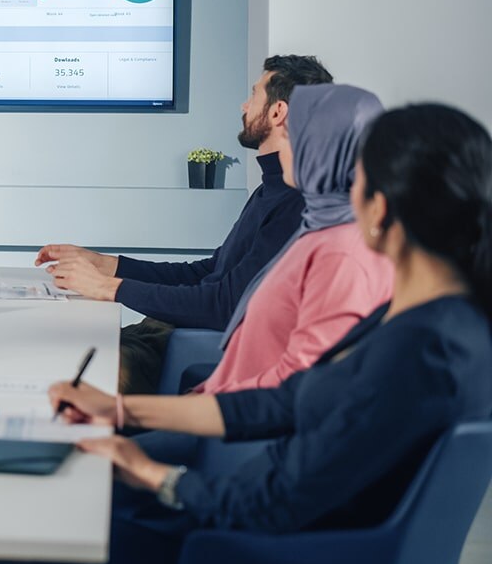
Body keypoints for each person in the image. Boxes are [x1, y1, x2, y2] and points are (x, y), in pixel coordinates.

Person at [49, 103, 492, 564]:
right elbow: (282, 403)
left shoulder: (418, 353)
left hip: (249, 546)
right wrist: (120, 409)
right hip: (270, 527)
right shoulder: (443, 325)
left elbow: (272, 501)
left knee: (54, 511)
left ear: (378, 208)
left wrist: (148, 472)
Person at [38, 55, 332, 394]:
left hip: (183, 344)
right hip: (163, 331)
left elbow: (226, 304)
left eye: (254, 95)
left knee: (63, 369)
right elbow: (209, 272)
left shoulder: (296, 203)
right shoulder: (269, 191)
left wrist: (109, 288)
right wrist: (106, 265)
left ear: (278, 112)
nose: (244, 105)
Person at [188, 84, 392, 393]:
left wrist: (137, 412)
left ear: (324, 150)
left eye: (293, 137)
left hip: (241, 420)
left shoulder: (339, 250)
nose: (283, 149)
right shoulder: (315, 229)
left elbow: (292, 387)